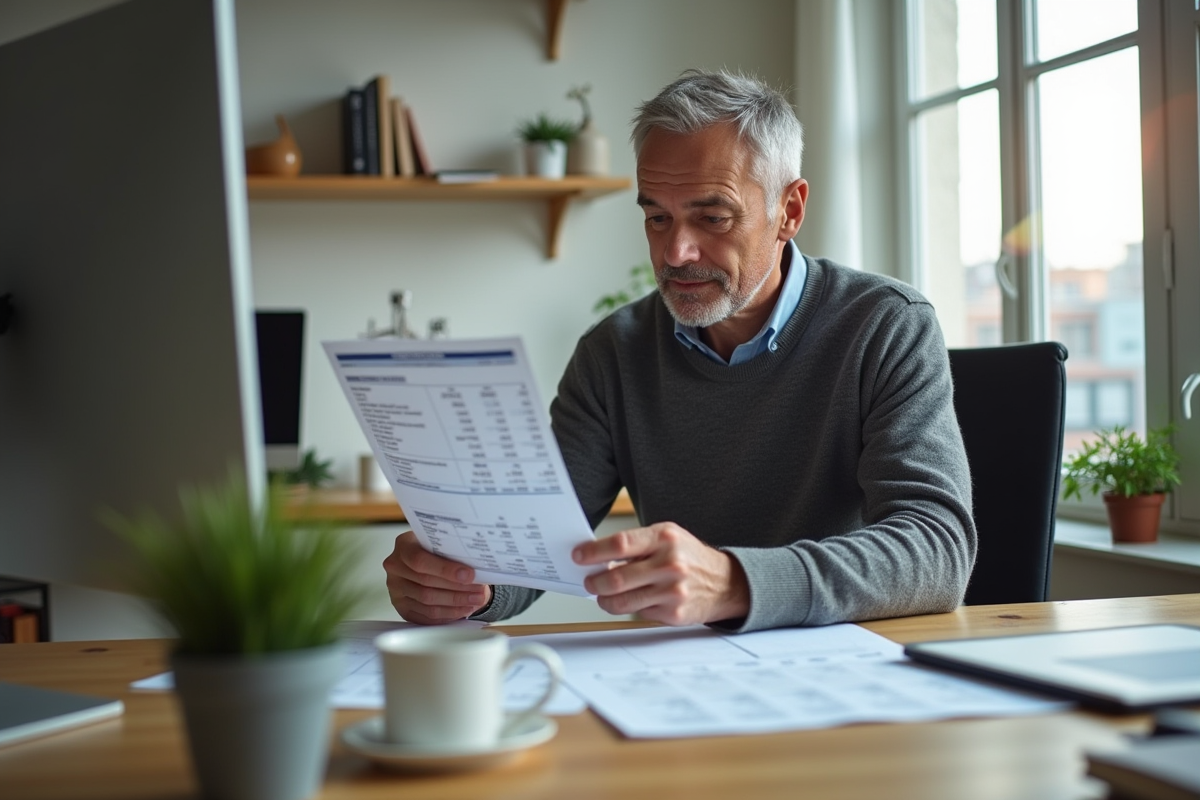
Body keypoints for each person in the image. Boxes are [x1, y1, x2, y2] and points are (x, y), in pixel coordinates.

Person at [384, 69, 977, 632]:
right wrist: (473, 584)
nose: (676, 252)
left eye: (712, 217)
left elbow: (936, 546)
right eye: (657, 218)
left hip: (851, 669)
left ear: (789, 211)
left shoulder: (885, 327)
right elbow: (540, 537)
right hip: (679, 671)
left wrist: (737, 582)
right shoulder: (612, 353)